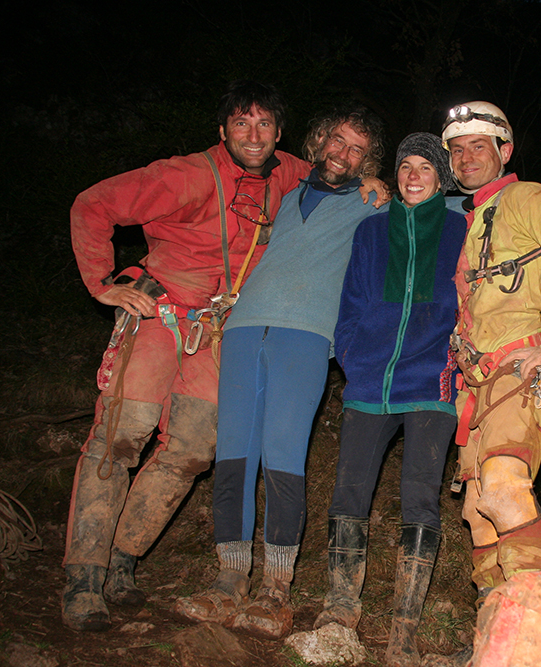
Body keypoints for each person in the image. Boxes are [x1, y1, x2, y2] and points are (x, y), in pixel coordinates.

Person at [64, 81, 312, 632]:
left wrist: (371, 183)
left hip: (219, 328)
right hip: (159, 313)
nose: (254, 135)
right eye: (241, 124)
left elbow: (331, 174)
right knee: (119, 439)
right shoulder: (185, 175)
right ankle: (83, 578)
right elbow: (93, 204)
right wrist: (100, 282)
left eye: (265, 125)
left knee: (194, 450)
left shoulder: (288, 172)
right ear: (222, 131)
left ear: (279, 133)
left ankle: (123, 564)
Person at [173, 105, 389, 640]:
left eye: (357, 149)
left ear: (367, 162)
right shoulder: (288, 196)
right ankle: (228, 579)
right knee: (234, 454)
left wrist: (384, 184)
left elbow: (429, 202)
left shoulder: (370, 205)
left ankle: (275, 587)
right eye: (337, 141)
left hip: (308, 335)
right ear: (319, 142)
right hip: (245, 329)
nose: (342, 153)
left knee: (284, 455)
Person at [313, 133, 466, 666]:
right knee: (349, 490)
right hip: (370, 377)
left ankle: (404, 629)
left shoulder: (460, 228)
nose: (413, 174)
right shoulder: (372, 229)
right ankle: (339, 608)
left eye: (426, 166)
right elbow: (351, 297)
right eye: (406, 166)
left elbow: (471, 295)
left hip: (432, 380)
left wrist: (455, 355)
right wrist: (352, 353)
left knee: (420, 496)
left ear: (442, 177)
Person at [443, 102, 541, 608]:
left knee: (504, 486)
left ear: (504, 151)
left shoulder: (526, 197)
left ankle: (537, 609)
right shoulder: (469, 220)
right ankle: (497, 615)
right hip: (476, 385)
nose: (467, 157)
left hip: (519, 369)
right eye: (458, 149)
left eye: (479, 146)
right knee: (476, 510)